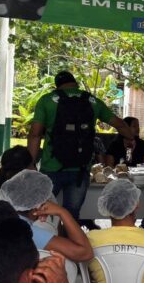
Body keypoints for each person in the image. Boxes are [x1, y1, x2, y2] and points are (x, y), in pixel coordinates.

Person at [28, 70, 134, 221]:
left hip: (51, 167)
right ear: (75, 84)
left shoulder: (47, 100)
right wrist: (130, 137)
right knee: (71, 215)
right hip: (80, 169)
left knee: (40, 211)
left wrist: (31, 164)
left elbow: (35, 134)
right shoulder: (92, 101)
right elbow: (120, 124)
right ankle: (69, 235)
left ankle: (43, 236)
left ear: (57, 86)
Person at [0, 170, 94, 263]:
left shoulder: (5, 220)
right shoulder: (26, 231)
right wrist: (63, 212)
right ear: (38, 205)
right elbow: (85, 253)